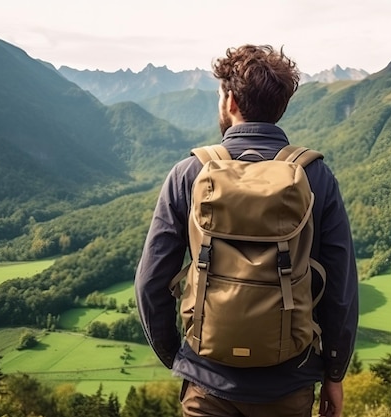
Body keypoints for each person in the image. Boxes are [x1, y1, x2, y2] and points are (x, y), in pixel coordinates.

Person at [135, 44, 359, 417]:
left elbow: (149, 281)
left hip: (207, 384)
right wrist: (334, 373)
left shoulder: (188, 174)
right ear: (280, 107)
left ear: (231, 101)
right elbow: (340, 289)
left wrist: (178, 356)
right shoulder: (315, 176)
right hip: (289, 382)